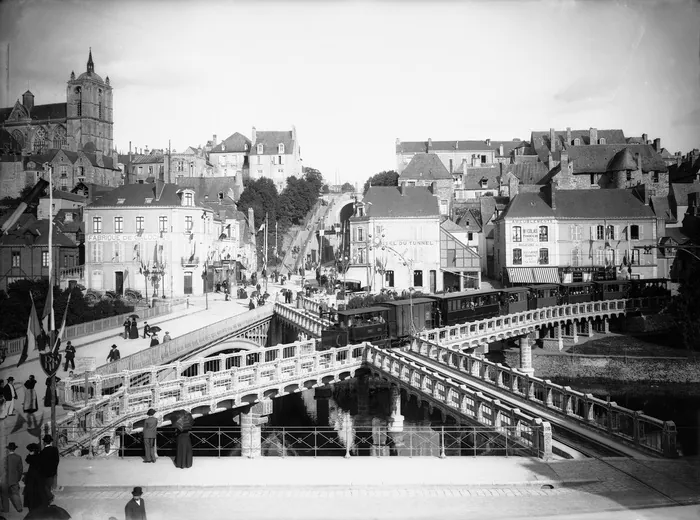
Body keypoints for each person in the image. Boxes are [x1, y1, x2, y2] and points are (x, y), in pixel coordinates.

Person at [23, 443, 49, 511]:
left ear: (32, 451)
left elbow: (27, 460)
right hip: (40, 477)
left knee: (31, 493)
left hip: (32, 477)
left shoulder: (31, 457)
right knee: (40, 492)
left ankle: (32, 507)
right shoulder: (40, 456)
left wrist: (30, 454)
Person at [5, 442, 23, 513]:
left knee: (5, 494)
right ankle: (19, 508)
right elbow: (20, 469)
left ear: (8, 449)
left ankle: (5, 508)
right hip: (15, 479)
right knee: (15, 493)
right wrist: (18, 478)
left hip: (6, 479)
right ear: (14, 449)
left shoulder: (6, 458)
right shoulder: (18, 457)